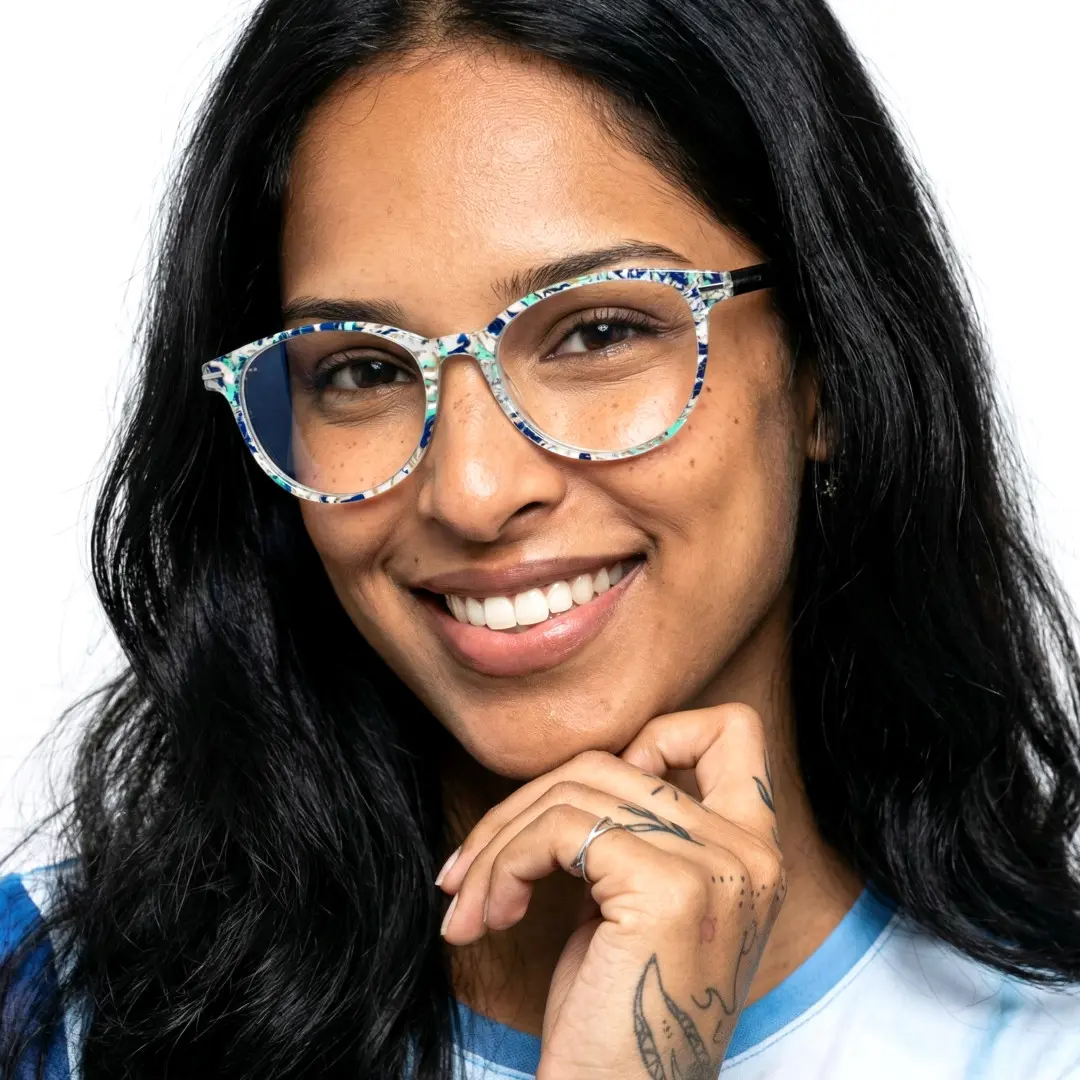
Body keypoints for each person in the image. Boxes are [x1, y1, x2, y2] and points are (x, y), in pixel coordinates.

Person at [3, 0, 1080, 1077]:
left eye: (599, 332)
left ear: (827, 371)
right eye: (364, 370)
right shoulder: (46, 1007)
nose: (471, 492)